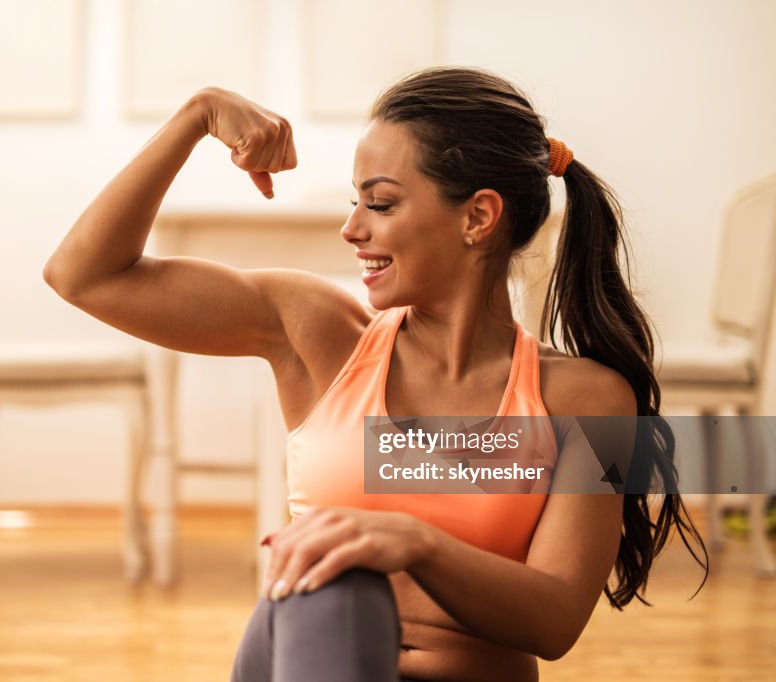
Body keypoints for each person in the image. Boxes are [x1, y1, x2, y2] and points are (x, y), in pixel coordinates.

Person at [43, 66, 709, 681]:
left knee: (352, 563)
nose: (351, 229)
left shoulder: (587, 398)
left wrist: (412, 542)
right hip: (302, 650)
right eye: (355, 202)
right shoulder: (317, 330)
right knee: (340, 580)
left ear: (478, 217)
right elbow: (84, 276)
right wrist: (196, 115)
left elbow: (556, 618)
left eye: (380, 203)